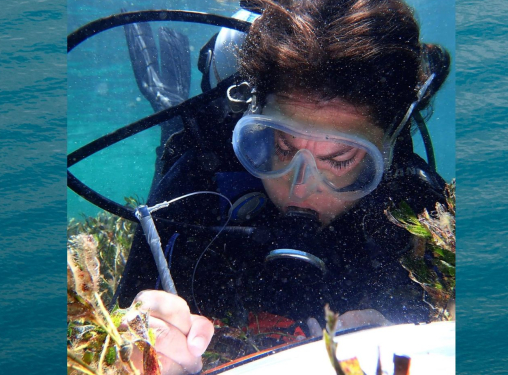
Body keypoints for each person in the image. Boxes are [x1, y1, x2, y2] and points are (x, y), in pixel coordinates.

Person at [114, 0, 451, 373]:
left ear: (385, 154)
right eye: (282, 147)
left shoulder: (417, 208)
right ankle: (169, 106)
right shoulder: (200, 183)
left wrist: (412, 343)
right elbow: (132, 311)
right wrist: (144, 342)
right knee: (176, 141)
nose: (300, 189)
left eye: (339, 160)